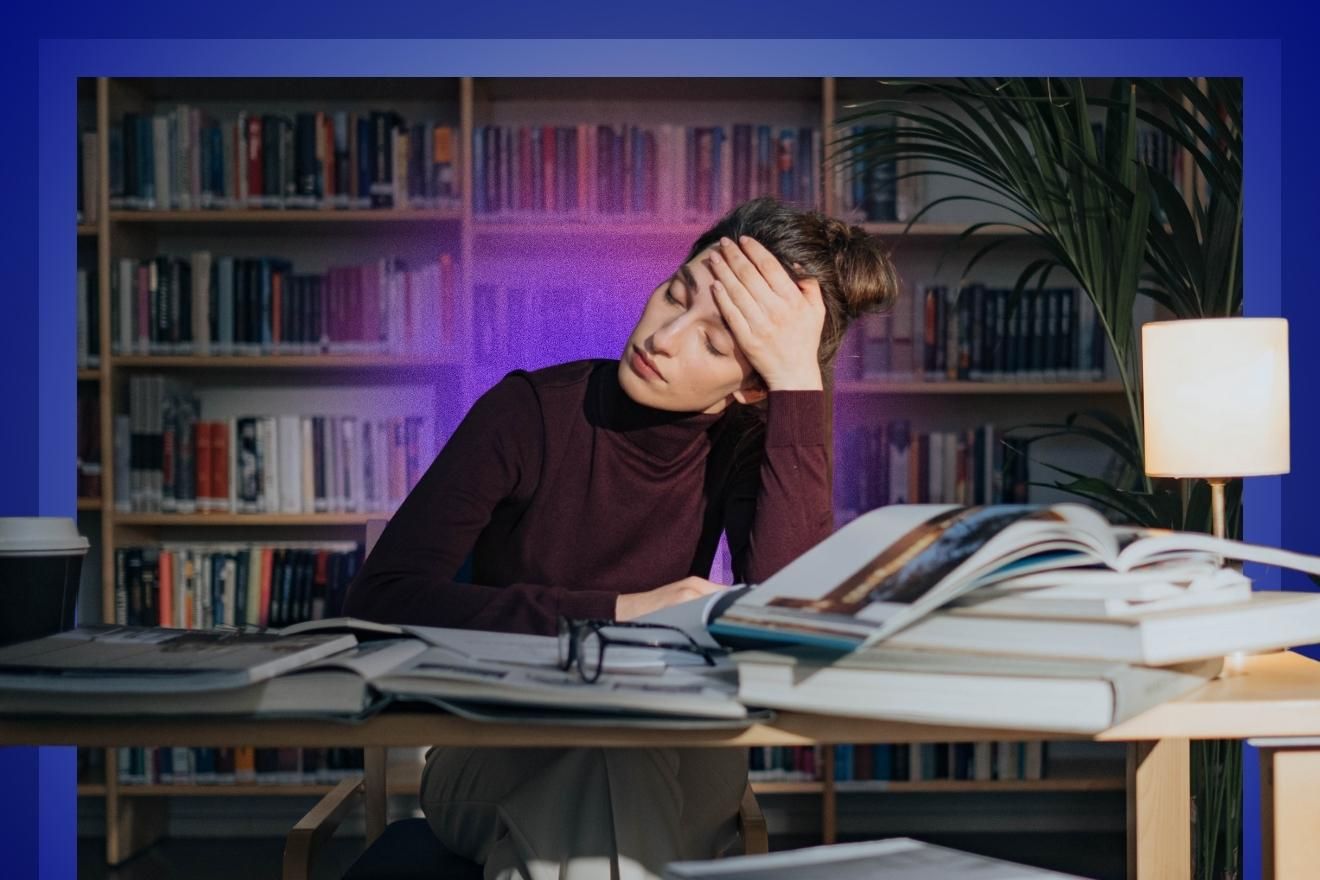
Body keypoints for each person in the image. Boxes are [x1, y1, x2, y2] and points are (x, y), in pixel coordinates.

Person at [341, 195, 899, 880]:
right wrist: (620, 615)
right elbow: (380, 603)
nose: (664, 336)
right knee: (602, 761)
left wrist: (795, 383)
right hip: (497, 747)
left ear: (750, 385)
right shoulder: (527, 413)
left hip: (676, 749)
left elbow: (791, 632)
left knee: (616, 756)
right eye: (675, 294)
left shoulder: (749, 445)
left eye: (716, 342)